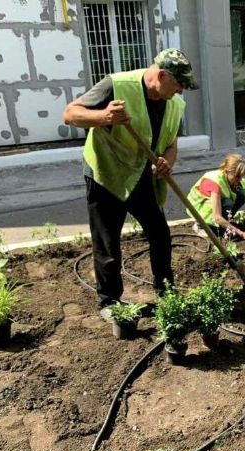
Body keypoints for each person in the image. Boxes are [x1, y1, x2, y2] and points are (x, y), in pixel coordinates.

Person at [62, 48, 198, 311]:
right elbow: (70, 114)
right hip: (106, 173)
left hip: (141, 175)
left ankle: (166, 292)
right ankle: (110, 302)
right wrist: (104, 117)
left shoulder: (174, 104)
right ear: (160, 75)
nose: (180, 91)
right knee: (108, 243)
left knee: (160, 234)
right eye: (178, 84)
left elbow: (171, 144)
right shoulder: (117, 85)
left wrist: (167, 162)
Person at [187, 154, 245, 241]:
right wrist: (242, 233)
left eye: (242, 176)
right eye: (237, 176)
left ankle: (225, 224)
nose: (239, 179)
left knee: (243, 193)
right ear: (227, 170)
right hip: (199, 208)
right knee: (228, 203)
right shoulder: (215, 181)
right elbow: (217, 217)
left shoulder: (241, 182)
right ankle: (201, 225)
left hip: (217, 209)